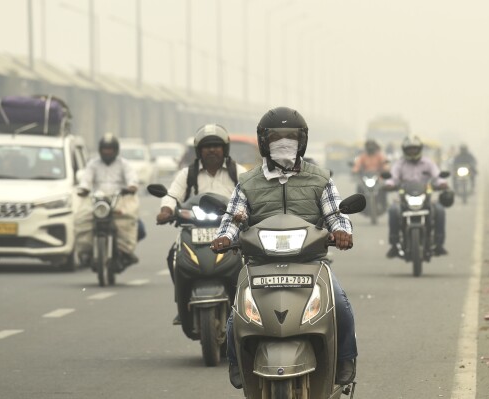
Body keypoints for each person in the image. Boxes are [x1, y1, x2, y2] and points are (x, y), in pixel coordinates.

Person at [210, 106, 358, 389]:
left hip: (311, 264)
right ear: (264, 142)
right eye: (276, 138)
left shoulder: (320, 179)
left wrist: (341, 231)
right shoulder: (247, 183)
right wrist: (224, 237)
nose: (284, 144)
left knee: (340, 304)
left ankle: (345, 359)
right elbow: (232, 218)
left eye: (291, 137)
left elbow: (336, 214)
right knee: (236, 316)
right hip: (258, 265)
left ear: (302, 142)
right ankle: (235, 360)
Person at [156, 124, 247, 325]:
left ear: (225, 148)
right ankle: (182, 301)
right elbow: (172, 195)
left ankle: (247, 304)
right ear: (199, 150)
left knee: (250, 258)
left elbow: (251, 196)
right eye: (207, 146)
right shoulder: (186, 174)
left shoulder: (237, 172)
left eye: (216, 145)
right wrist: (166, 210)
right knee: (173, 256)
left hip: (229, 230)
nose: (212, 150)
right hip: (194, 228)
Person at [76, 132, 140, 269]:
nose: (107, 152)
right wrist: (83, 189)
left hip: (119, 199)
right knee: (80, 218)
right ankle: (85, 251)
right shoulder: (93, 164)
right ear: (100, 150)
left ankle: (125, 251)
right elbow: (86, 180)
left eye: (110, 149)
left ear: (116, 150)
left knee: (130, 222)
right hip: (98, 201)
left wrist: (132, 187)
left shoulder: (124, 164)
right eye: (105, 149)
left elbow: (132, 179)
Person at [385, 135, 449, 257]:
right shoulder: (400, 164)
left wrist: (442, 184)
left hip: (425, 197)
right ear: (405, 150)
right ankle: (394, 245)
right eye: (409, 149)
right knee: (393, 210)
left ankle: (439, 244)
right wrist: (389, 185)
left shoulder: (428, 163)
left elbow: (437, 176)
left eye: (414, 148)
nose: (412, 151)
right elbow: (393, 178)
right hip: (404, 198)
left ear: (419, 149)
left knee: (440, 210)